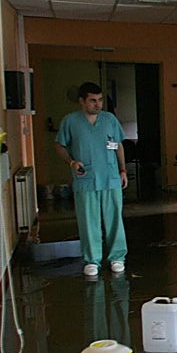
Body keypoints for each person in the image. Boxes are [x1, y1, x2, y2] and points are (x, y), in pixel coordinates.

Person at [55, 82, 129, 278]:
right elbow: (60, 146)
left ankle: (117, 257)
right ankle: (92, 260)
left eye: (100, 100)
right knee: (89, 221)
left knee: (114, 220)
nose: (98, 105)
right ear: (82, 101)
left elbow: (118, 145)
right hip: (86, 179)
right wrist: (71, 162)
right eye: (93, 101)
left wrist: (123, 170)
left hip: (111, 178)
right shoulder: (70, 122)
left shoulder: (109, 120)